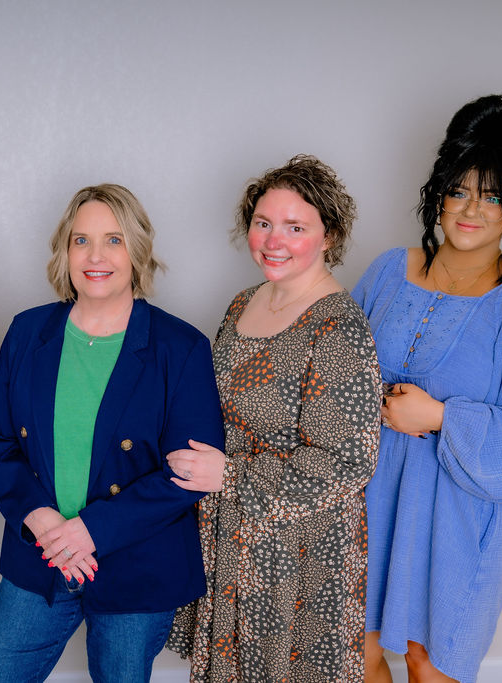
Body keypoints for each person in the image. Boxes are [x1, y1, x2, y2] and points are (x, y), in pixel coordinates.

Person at [352, 95, 502, 683]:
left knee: (430, 664)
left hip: (461, 517)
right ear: (438, 195)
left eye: (493, 196)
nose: (471, 209)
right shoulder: (387, 272)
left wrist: (440, 417)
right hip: (370, 500)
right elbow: (337, 368)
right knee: (356, 651)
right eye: (459, 191)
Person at [0, 184, 224, 683]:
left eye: (113, 240)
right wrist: (40, 519)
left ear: (137, 250)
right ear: (65, 251)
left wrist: (92, 530)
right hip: (43, 550)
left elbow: (188, 473)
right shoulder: (28, 332)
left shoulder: (181, 347)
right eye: (81, 240)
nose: (95, 256)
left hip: (137, 562)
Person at [167, 155, 383, 682]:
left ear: (329, 236)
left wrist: (230, 474)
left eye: (295, 227)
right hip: (231, 527)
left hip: (296, 549)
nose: (273, 241)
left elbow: (348, 462)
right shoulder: (244, 302)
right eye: (263, 223)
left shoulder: (338, 327)